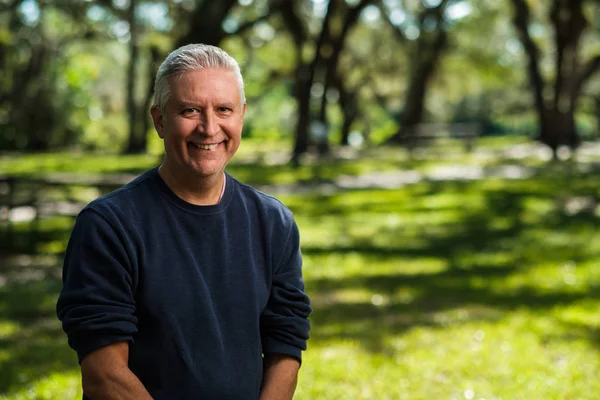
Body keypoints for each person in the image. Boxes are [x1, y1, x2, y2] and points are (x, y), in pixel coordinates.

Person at [56, 44, 312, 399]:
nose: (209, 128)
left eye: (224, 110)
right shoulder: (108, 226)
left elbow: (286, 346)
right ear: (160, 120)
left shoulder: (274, 223)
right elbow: (104, 376)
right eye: (190, 110)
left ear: (241, 115)